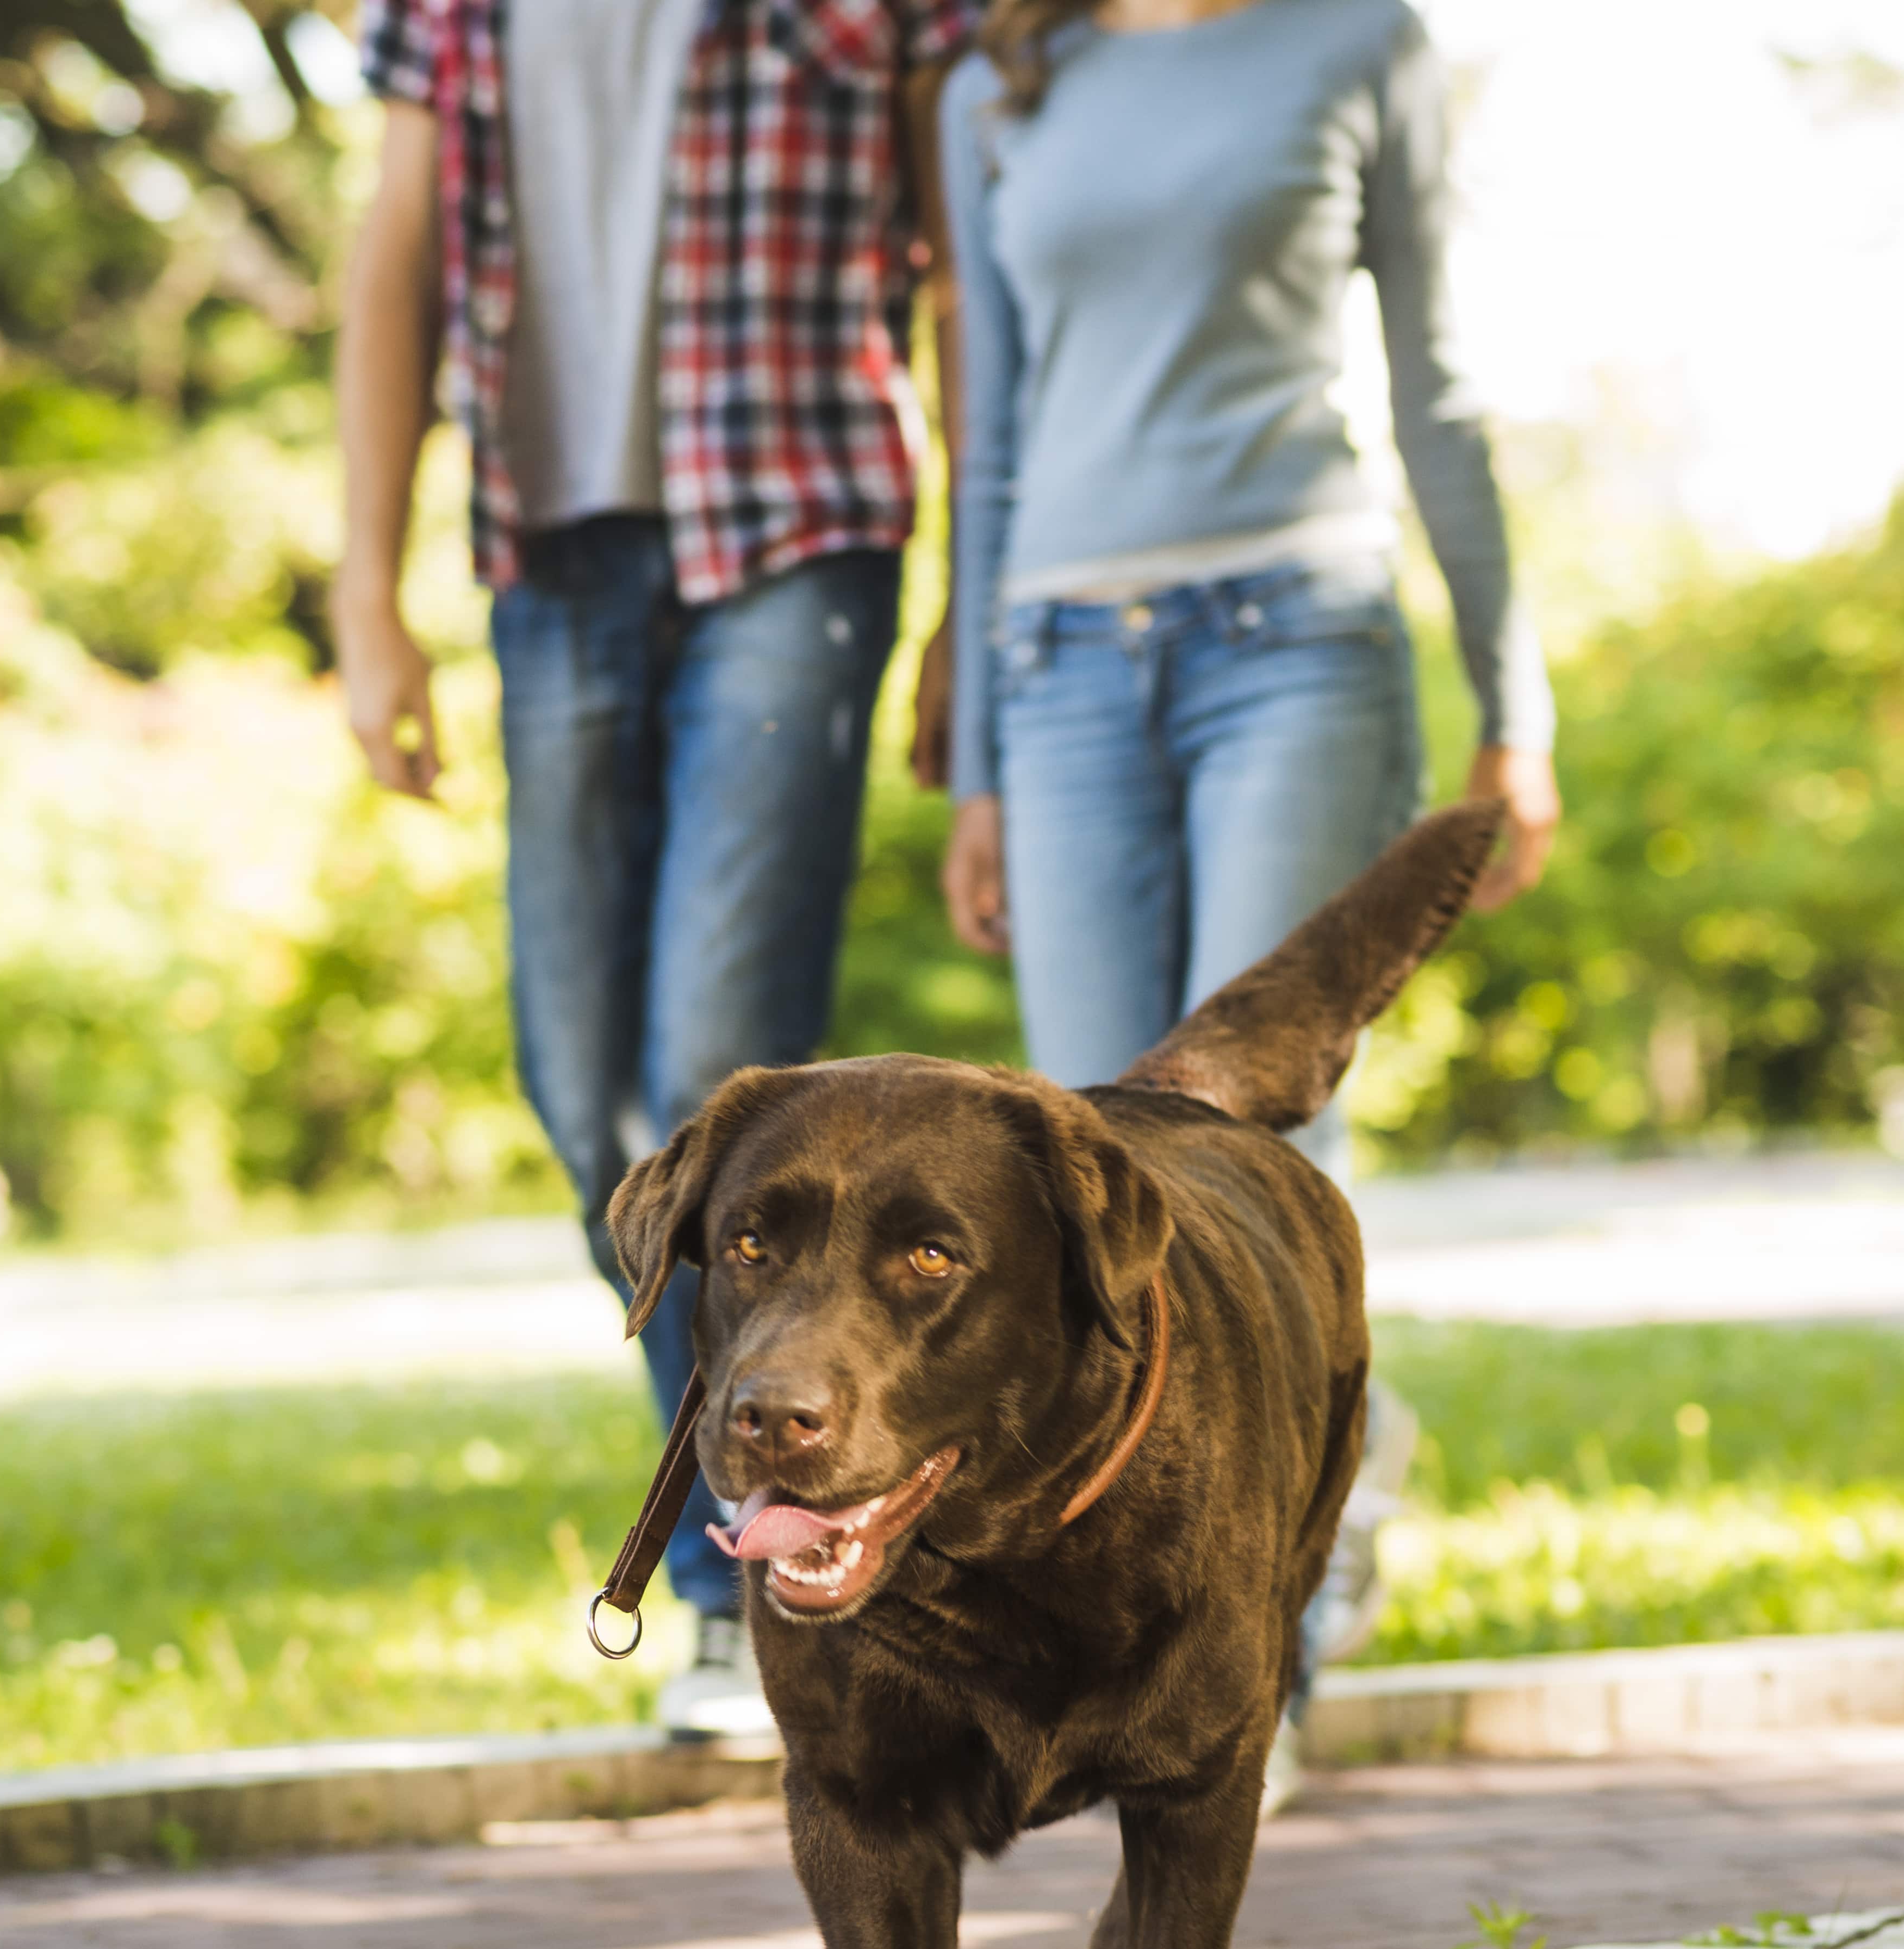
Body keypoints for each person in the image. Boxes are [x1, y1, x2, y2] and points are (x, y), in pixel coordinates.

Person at [934, 0, 1563, 1791]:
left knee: (1254, 1142)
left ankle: (1256, 1648)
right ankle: (1262, 1531)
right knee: (1085, 1181)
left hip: (1293, 632)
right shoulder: (1006, 73)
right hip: (1059, 663)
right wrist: (981, 752)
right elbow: (990, 439)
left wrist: (1513, 708)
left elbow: (1435, 384)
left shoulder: (1356, 43)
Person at [338, 0, 971, 1734]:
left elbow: (957, 269)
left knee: (711, 1079)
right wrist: (365, 591)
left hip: (802, 528)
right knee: (586, 1094)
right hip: (551, 550)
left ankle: (741, 1578)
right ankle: (776, 1535)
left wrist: (970, 604)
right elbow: (392, 260)